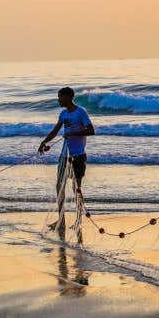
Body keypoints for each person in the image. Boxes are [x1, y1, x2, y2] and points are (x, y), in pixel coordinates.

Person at [38, 87, 95, 229]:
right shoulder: (63, 114)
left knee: (77, 188)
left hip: (78, 155)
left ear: (68, 97)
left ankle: (78, 220)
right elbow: (55, 130)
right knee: (59, 186)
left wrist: (73, 133)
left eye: (60, 97)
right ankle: (61, 220)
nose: (58, 100)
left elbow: (91, 130)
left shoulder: (80, 112)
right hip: (64, 156)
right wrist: (44, 142)